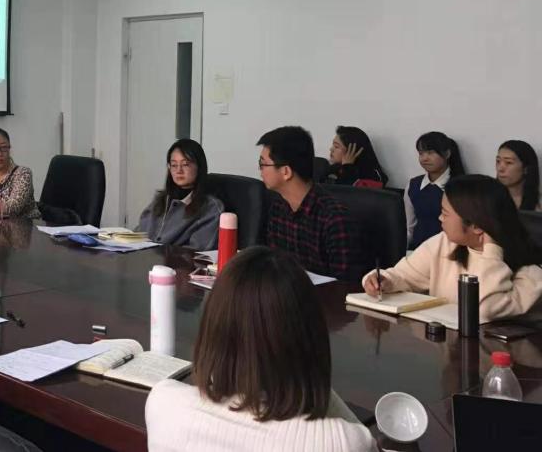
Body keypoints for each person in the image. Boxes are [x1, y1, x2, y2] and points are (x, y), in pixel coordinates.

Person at [146, 246, 377, 452]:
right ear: (313, 337)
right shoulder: (344, 442)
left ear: (212, 328)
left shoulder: (163, 404)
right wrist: (310, 379)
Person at [364, 175, 542, 322]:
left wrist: (491, 250)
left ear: (476, 225)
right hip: (450, 346)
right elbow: (404, 275)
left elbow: (486, 308)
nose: (440, 218)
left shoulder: (531, 273)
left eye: (445, 213)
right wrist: (384, 280)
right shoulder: (445, 243)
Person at [257, 126, 364, 281]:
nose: (260, 170)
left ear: (286, 172)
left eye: (263, 164)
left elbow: (346, 285)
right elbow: (275, 266)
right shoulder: (278, 208)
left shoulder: (335, 219)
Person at [136, 139, 224, 249]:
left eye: (185, 164)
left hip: (176, 260)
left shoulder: (211, 208)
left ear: (199, 167)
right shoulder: (161, 200)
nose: (179, 171)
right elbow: (137, 236)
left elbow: (197, 251)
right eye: (174, 165)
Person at [405, 132, 466, 249]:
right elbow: (409, 227)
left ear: (447, 154)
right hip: (417, 249)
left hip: (448, 250)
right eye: (421, 153)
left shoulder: (459, 186)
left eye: (430, 153)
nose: (425, 158)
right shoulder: (413, 185)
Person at [496, 140, 540, 211]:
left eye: (508, 162)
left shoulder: (539, 204)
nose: (500, 169)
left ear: (526, 168)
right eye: (498, 161)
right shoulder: (487, 198)